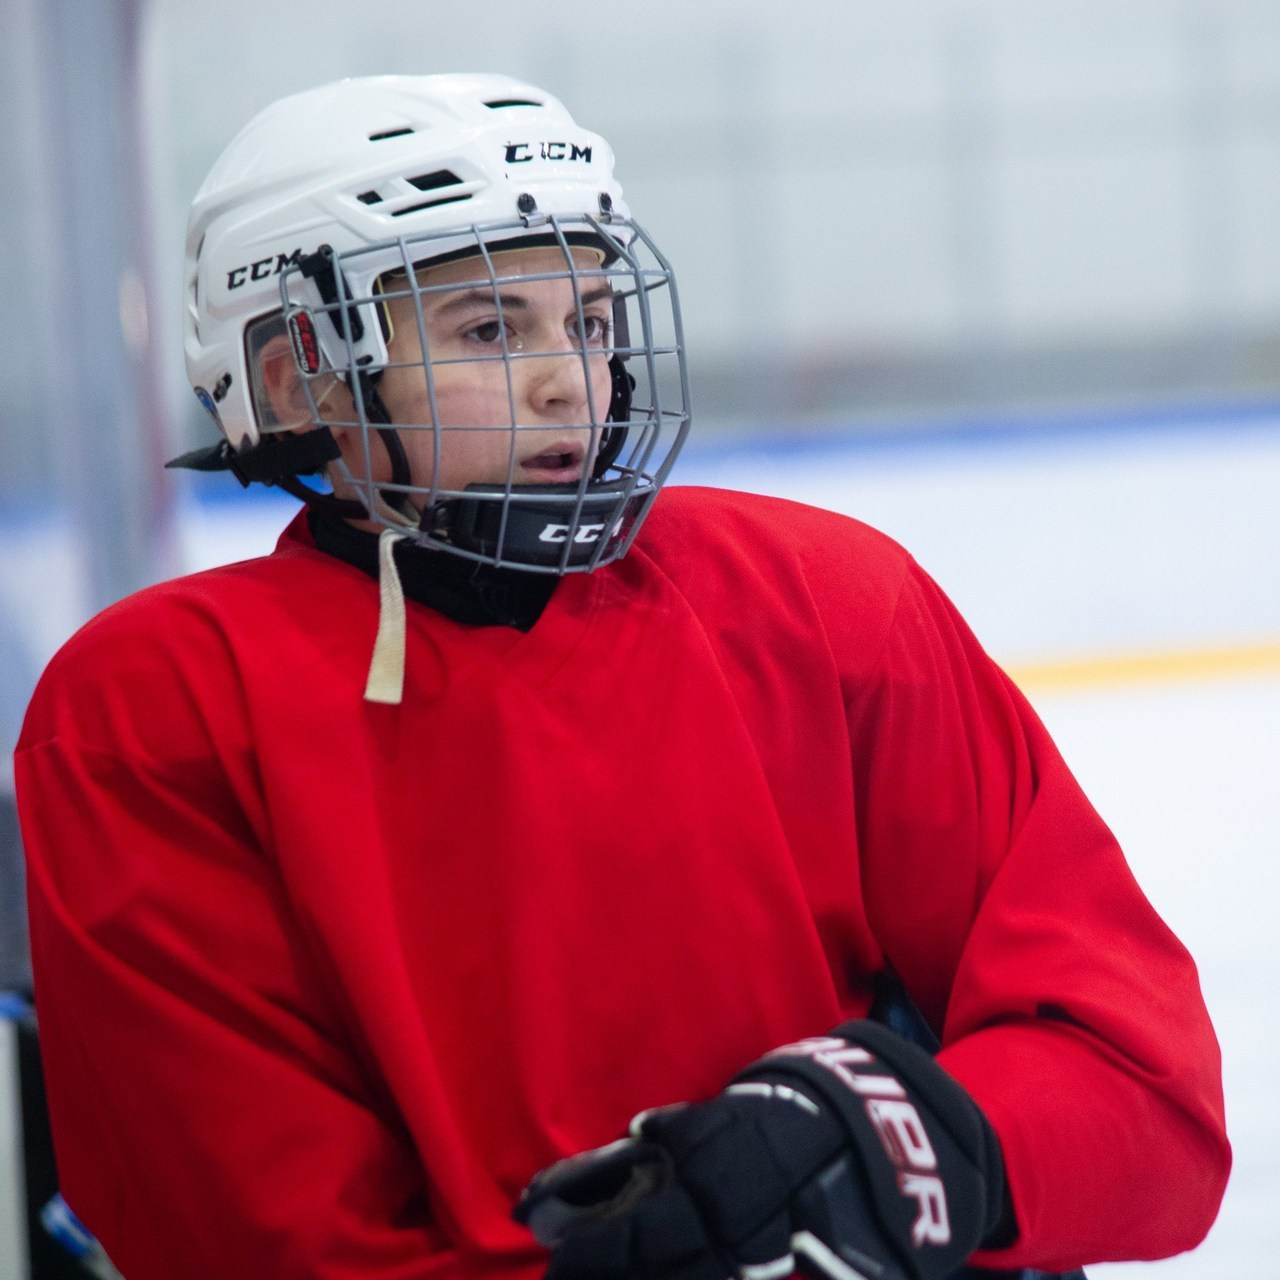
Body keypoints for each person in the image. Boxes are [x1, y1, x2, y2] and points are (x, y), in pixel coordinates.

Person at [14, 74, 1228, 1280]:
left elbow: (1142, 1089)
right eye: (490, 330)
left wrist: (890, 1151)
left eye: (589, 321)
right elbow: (254, 1229)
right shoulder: (154, 711)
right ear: (297, 377)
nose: (569, 383)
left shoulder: (824, 600)